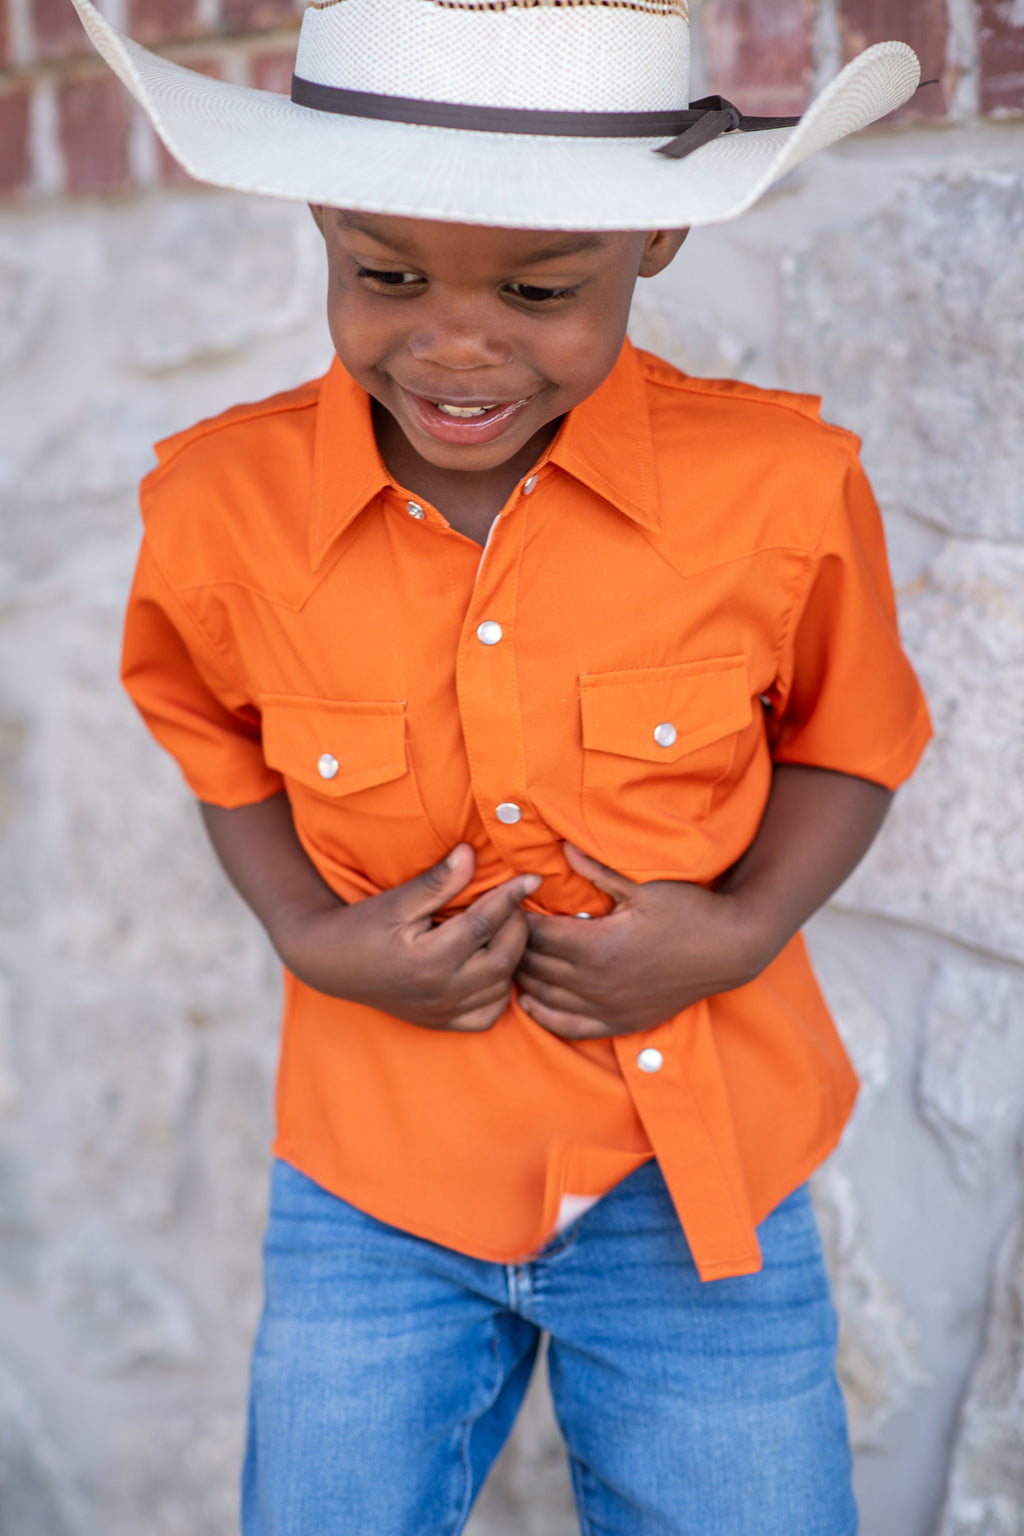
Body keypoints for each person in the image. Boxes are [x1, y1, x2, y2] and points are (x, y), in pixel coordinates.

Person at [68, 0, 933, 1530]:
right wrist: (306, 934)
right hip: (373, 1181)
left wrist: (735, 932)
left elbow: (851, 742)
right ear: (322, 223)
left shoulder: (789, 490)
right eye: (383, 273)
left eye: (538, 289)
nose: (456, 344)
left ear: (653, 240)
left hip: (696, 1174)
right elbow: (212, 736)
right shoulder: (216, 506)